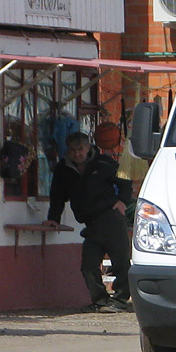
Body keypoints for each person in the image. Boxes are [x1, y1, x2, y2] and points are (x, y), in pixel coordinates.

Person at [44, 131, 134, 313]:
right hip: (90, 223)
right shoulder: (64, 169)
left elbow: (125, 181)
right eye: (73, 150)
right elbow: (57, 196)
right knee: (88, 266)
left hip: (110, 217)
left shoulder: (103, 163)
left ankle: (120, 300)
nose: (77, 154)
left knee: (121, 261)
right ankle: (100, 301)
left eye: (80, 149)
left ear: (88, 148)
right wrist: (54, 218)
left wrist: (122, 201)